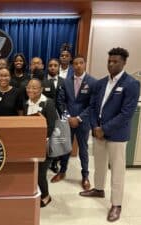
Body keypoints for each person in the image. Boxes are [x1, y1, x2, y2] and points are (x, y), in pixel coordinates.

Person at [80, 47, 140, 222]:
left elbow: (126, 113)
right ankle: (98, 189)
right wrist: (94, 126)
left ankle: (116, 204)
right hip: (98, 132)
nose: (111, 64)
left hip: (117, 135)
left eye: (115, 61)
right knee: (99, 164)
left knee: (117, 171)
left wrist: (104, 129)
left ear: (124, 63)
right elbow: (92, 107)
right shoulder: (100, 83)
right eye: (109, 61)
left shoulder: (131, 84)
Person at [53, 56, 97, 190]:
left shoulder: (93, 82)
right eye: (75, 63)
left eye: (81, 63)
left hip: (83, 122)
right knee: (66, 147)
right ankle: (62, 171)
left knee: (83, 150)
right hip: (68, 121)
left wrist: (78, 118)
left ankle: (85, 176)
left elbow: (92, 105)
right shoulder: (66, 82)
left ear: (85, 64)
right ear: (72, 66)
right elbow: (60, 102)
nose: (78, 65)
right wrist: (68, 117)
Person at [24, 78, 57, 208]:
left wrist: (38, 138)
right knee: (32, 172)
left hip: (44, 145)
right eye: (29, 87)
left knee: (41, 173)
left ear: (41, 89)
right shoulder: (26, 104)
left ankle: (46, 196)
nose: (31, 90)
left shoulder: (48, 103)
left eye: (35, 87)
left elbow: (51, 127)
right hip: (30, 145)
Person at [42, 58, 65, 173]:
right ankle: (44, 160)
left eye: (55, 65)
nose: (52, 67)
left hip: (59, 115)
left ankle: (55, 162)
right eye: (50, 65)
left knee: (57, 139)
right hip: (45, 115)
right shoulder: (42, 81)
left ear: (59, 67)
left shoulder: (64, 81)